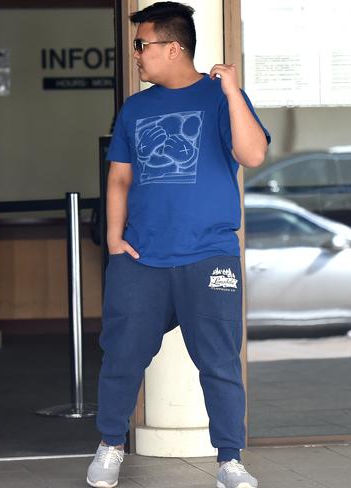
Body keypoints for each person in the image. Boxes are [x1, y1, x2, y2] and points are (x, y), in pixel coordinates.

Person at [85, 3, 270, 488]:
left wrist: (231, 92)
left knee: (219, 363)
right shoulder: (135, 108)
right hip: (141, 258)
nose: (136, 55)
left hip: (208, 255)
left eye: (142, 45)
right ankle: (110, 445)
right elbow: (120, 177)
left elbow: (252, 153)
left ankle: (229, 460)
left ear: (173, 48)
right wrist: (112, 239)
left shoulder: (219, 97)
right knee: (122, 356)